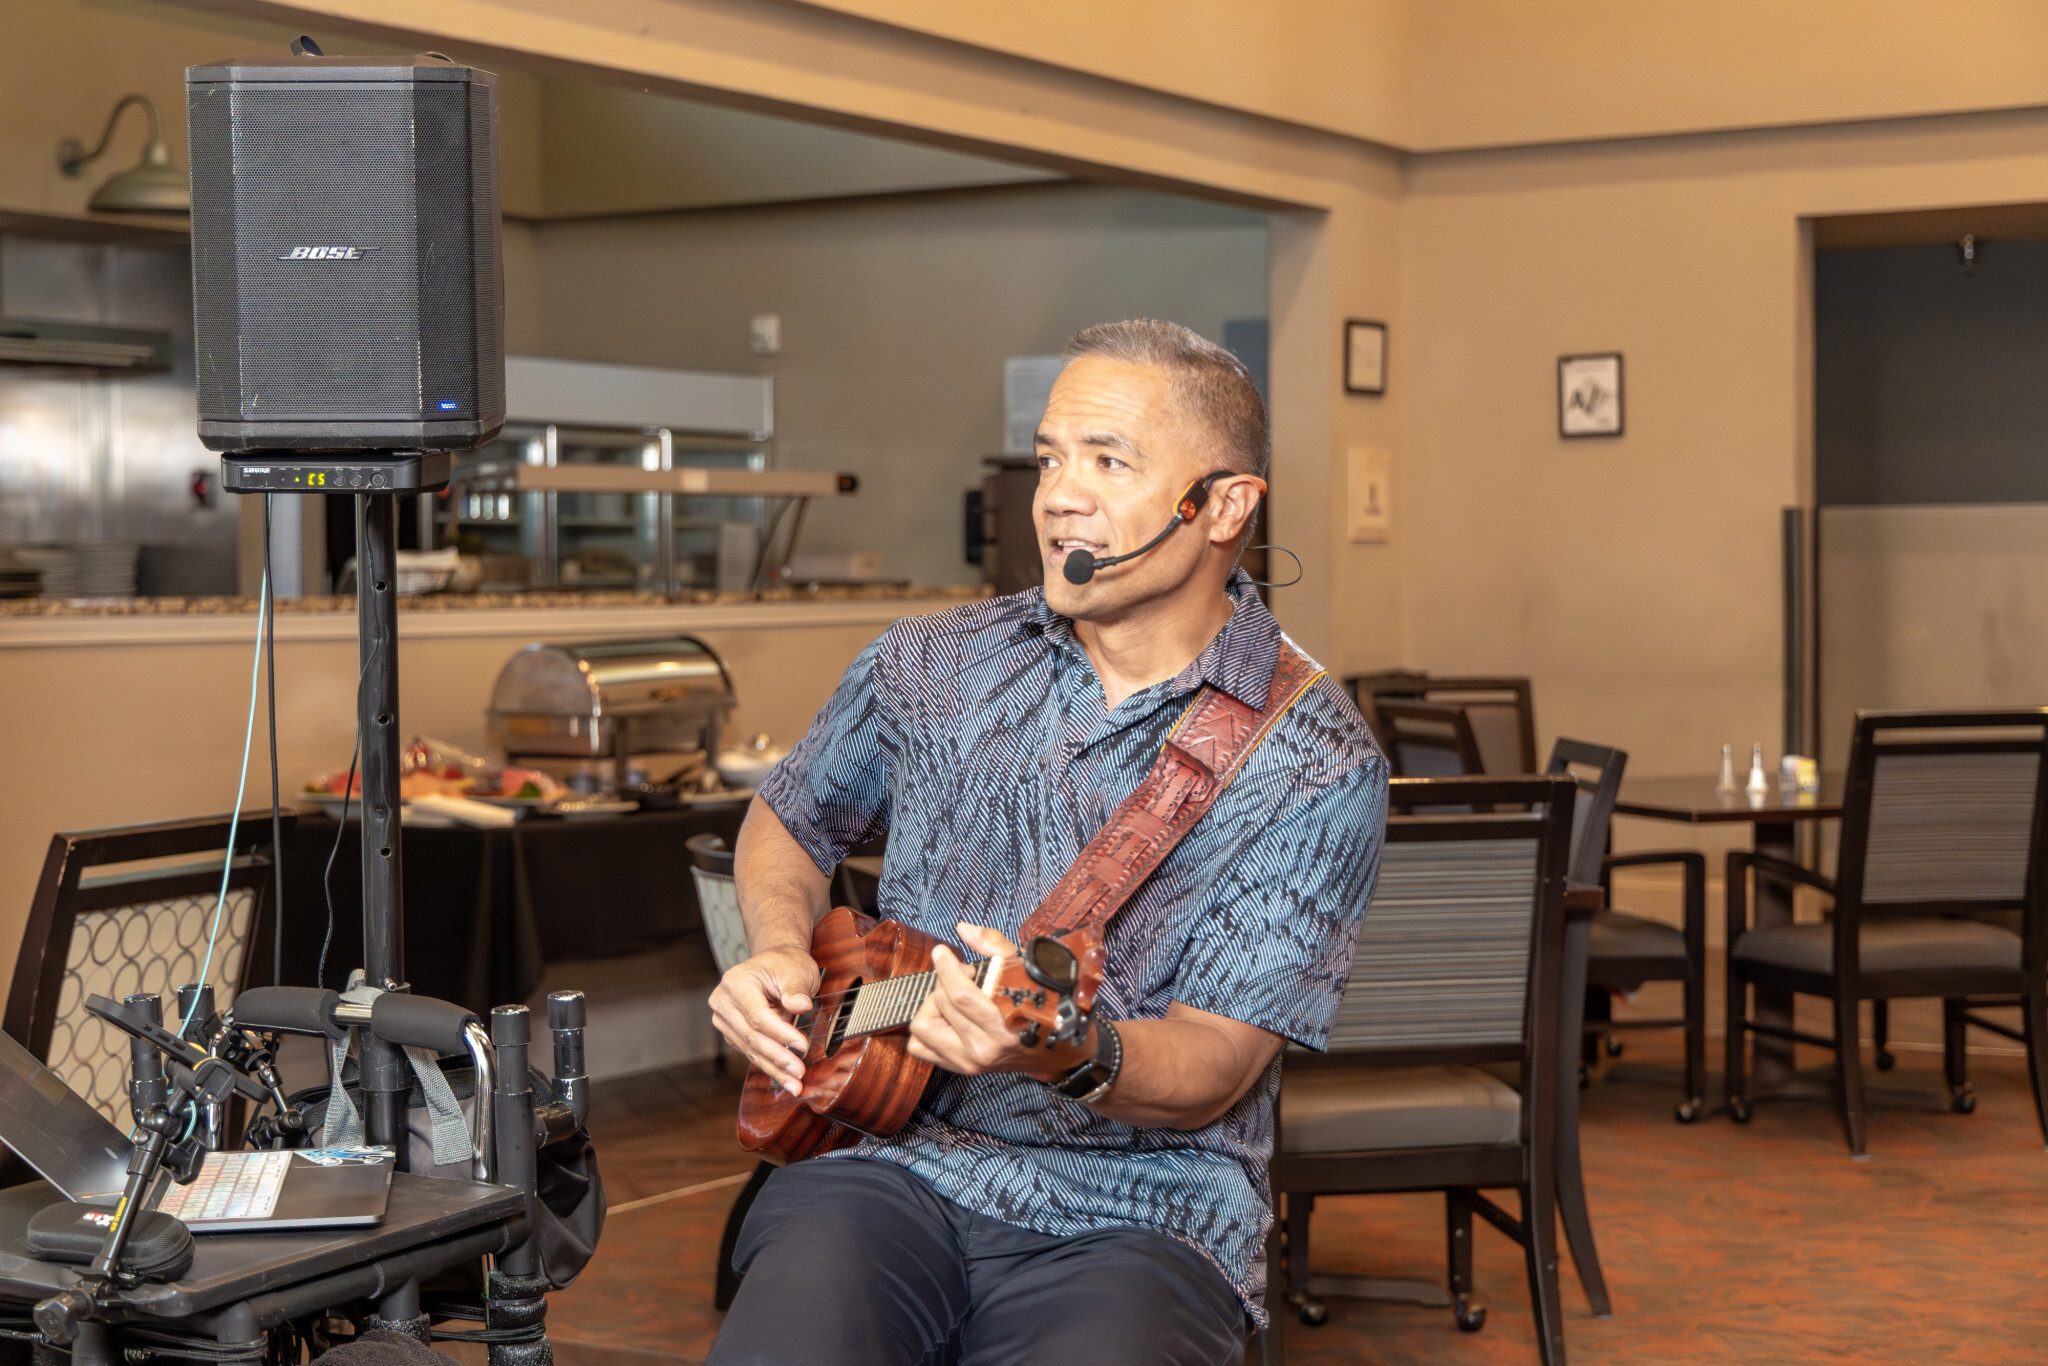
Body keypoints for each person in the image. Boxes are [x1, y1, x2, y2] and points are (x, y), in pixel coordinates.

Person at [706, 319, 1387, 1366]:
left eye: (1108, 462)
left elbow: (1215, 1062)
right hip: (890, 1160)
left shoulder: (1317, 760)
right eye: (1050, 458)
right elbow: (789, 818)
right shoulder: (930, 662)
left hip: (1145, 1212)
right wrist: (778, 949)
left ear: (1223, 507)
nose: (1059, 495)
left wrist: (1064, 1048)